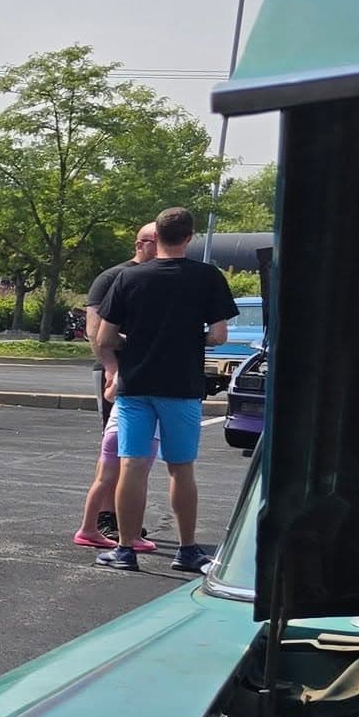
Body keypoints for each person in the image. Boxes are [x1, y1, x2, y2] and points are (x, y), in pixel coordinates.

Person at [92, 206, 237, 573]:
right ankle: (187, 550)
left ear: (155, 236)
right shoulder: (207, 277)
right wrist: (190, 337)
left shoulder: (129, 279)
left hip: (136, 385)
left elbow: (105, 337)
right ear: (189, 237)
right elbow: (219, 335)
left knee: (132, 466)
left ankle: (125, 549)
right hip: (181, 385)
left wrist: (138, 340)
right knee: (181, 468)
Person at [72, 222, 161, 549]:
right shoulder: (112, 278)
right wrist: (112, 369)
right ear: (143, 244)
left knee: (136, 452)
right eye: (159, 241)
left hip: (147, 376)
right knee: (117, 449)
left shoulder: (159, 280)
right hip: (119, 374)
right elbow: (96, 332)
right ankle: (105, 518)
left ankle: (125, 519)